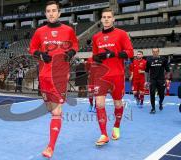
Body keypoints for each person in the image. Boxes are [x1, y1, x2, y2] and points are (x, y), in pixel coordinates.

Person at [29, 1, 78, 158]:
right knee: (50, 109)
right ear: (45, 13)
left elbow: (75, 46)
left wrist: (70, 54)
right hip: (44, 75)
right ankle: (55, 117)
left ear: (59, 13)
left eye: (54, 10)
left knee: (56, 112)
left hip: (59, 76)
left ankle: (50, 146)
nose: (51, 13)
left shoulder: (68, 30)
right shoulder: (39, 31)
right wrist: (41, 55)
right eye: (48, 11)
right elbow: (32, 49)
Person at [90, 8, 133, 146]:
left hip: (117, 75)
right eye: (104, 17)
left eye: (109, 17)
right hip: (101, 75)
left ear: (113, 19)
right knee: (100, 103)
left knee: (118, 103)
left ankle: (116, 126)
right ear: (101, 19)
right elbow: (94, 56)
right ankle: (103, 134)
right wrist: (97, 58)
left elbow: (130, 52)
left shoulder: (122, 34)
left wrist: (114, 54)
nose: (106, 19)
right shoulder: (96, 37)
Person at [145, 48, 170, 114]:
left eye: (156, 51)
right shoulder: (149, 60)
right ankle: (153, 108)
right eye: (153, 51)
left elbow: (167, 70)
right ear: (152, 52)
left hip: (161, 80)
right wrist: (146, 81)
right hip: (152, 80)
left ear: (158, 52)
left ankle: (160, 102)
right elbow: (147, 71)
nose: (155, 53)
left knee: (162, 95)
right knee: (152, 94)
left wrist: (167, 79)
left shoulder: (163, 59)